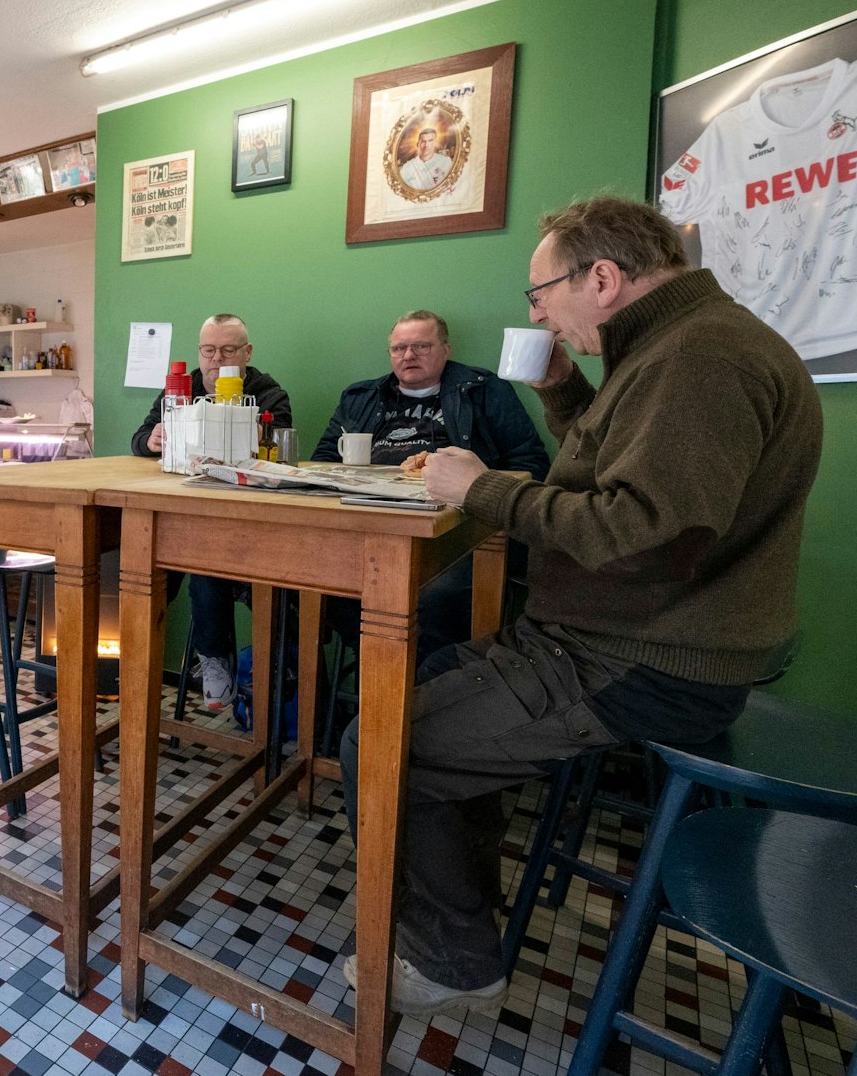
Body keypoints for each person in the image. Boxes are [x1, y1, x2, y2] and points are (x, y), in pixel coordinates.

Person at [338, 196, 822, 1017]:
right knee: (435, 678)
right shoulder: (679, 344)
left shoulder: (698, 358)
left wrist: (484, 489)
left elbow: (635, 535)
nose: (540, 316)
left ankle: (453, 958)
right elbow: (625, 473)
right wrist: (565, 393)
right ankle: (460, 919)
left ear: (601, 277)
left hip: (639, 656)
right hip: (631, 636)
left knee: (384, 739)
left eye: (540, 296)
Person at [311, 311, 549, 661]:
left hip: (459, 531)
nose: (408, 356)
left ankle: (428, 691)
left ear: (446, 349)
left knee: (431, 596)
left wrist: (478, 489)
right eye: (399, 348)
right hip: (370, 523)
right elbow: (323, 461)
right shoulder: (360, 397)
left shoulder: (484, 391)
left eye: (421, 346)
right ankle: (380, 677)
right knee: (316, 582)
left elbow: (530, 464)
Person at [130, 314, 293, 711]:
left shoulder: (267, 393)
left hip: (244, 522)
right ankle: (131, 661)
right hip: (177, 510)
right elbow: (139, 437)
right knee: (137, 564)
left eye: (228, 350)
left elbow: (280, 450)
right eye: (209, 350)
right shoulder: (178, 391)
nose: (216, 359)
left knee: (205, 567)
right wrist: (150, 440)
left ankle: (216, 662)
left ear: (247, 352)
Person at [399, 127, 452, 192]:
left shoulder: (445, 161)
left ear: (435, 143)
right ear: (418, 144)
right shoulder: (407, 167)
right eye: (423, 141)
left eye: (430, 141)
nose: (427, 145)